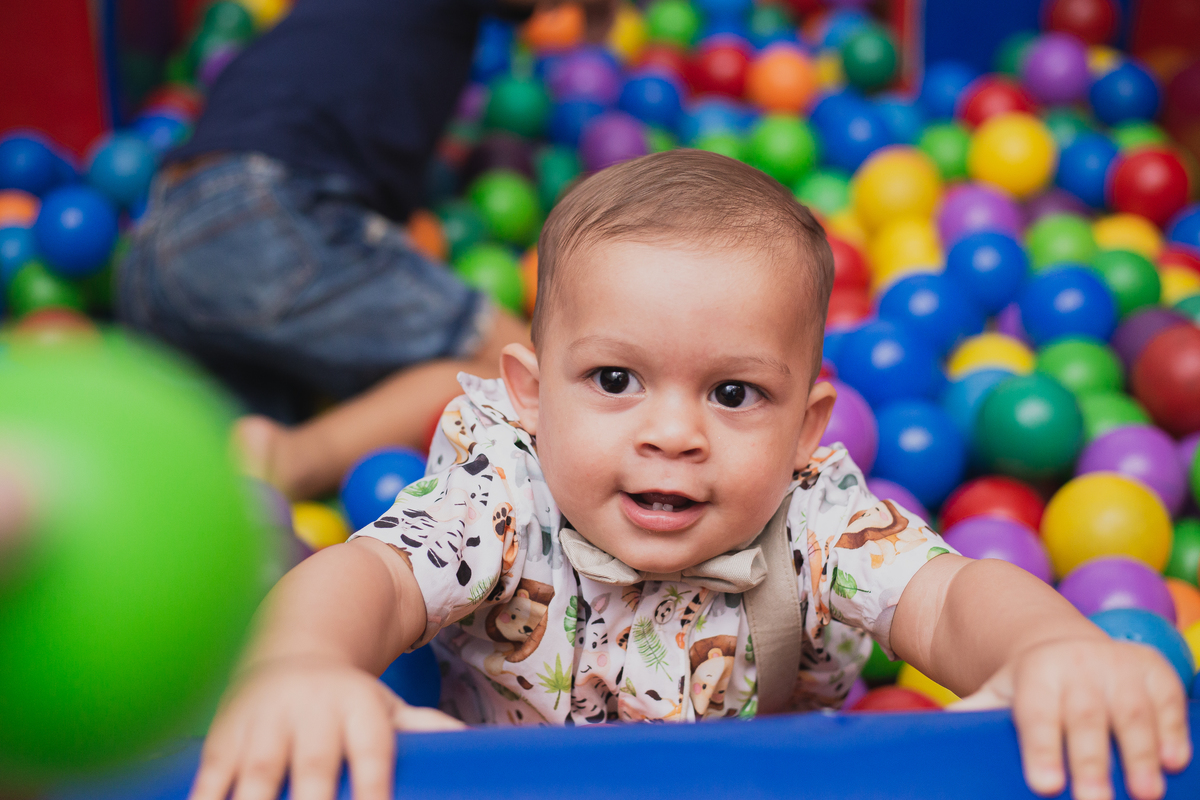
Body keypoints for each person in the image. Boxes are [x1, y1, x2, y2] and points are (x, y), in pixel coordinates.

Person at [190, 151, 1190, 800]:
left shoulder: (816, 518)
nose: (673, 432)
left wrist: (1056, 644)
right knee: (257, 578)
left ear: (809, 429)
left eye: (734, 393)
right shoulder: (508, 493)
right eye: (616, 379)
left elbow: (954, 594)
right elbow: (369, 576)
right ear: (533, 400)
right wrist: (302, 667)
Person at [117, 0, 610, 500]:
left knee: (221, 476)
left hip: (158, 244)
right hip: (265, 216)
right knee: (525, 375)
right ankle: (298, 457)